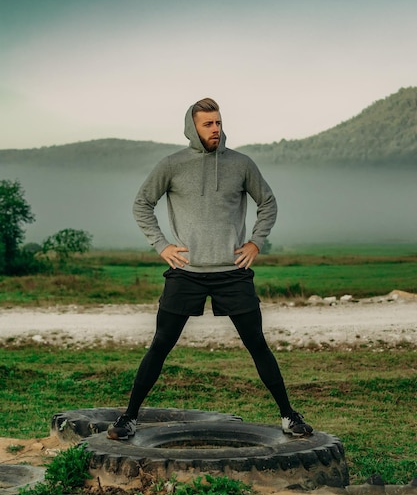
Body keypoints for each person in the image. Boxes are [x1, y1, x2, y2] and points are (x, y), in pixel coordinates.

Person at [107, 97, 313, 440]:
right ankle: (128, 418)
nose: (216, 129)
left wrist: (255, 242)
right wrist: (163, 245)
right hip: (186, 272)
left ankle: (289, 416)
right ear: (193, 127)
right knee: (160, 344)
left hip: (232, 273)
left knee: (257, 344)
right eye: (208, 124)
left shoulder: (241, 164)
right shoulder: (172, 165)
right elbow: (142, 204)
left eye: (218, 123)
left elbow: (268, 203)